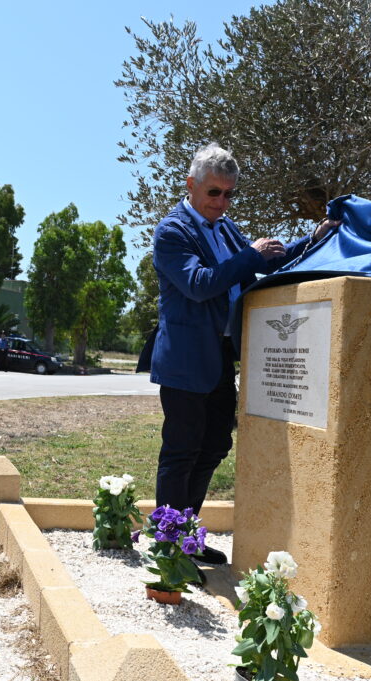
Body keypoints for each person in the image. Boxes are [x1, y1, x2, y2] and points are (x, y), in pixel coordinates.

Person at [149, 142, 334, 564]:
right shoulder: (172, 231)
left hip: (221, 359)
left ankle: (186, 537)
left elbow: (268, 263)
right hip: (185, 363)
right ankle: (168, 549)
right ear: (191, 185)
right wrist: (250, 255)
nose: (222, 202)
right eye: (214, 192)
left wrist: (313, 239)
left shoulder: (227, 229)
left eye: (229, 194)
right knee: (181, 452)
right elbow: (199, 285)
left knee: (214, 446)